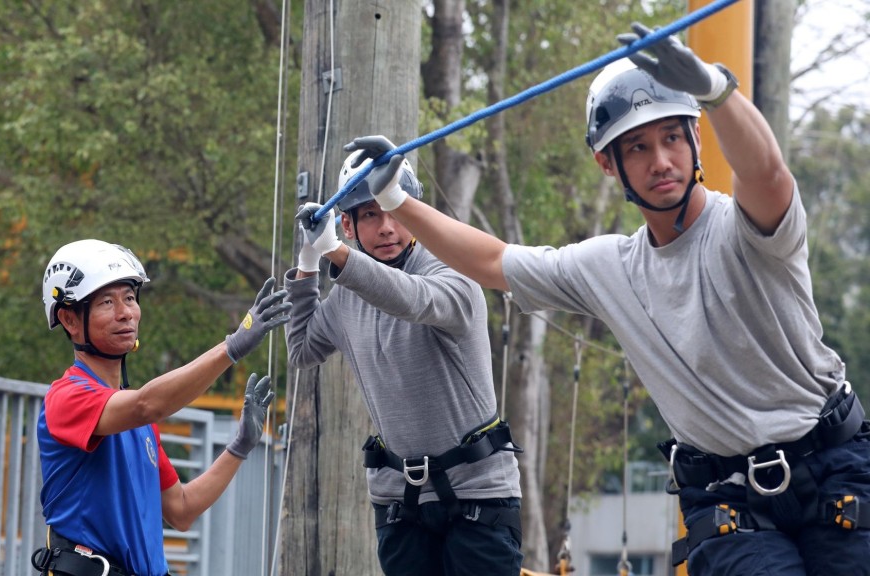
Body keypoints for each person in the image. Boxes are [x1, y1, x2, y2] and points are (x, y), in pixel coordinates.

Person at [343, 22, 870, 576]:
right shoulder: (609, 267)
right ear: (608, 164)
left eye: (672, 137)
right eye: (638, 147)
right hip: (725, 496)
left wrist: (717, 92)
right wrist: (394, 198)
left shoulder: (749, 229)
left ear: (695, 141)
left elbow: (766, 172)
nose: (661, 160)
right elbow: (491, 261)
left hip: (834, 466)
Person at [288, 153, 524, 575]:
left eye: (396, 212)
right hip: (402, 503)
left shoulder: (455, 270)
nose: (387, 228)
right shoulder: (346, 297)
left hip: (478, 496)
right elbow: (302, 348)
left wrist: (337, 256)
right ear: (348, 225)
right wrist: (308, 265)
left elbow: (411, 299)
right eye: (371, 215)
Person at [31, 239, 290, 576]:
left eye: (129, 298)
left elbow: (181, 510)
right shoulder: (66, 398)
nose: (125, 312)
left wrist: (239, 447)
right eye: (107, 302)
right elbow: (147, 404)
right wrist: (233, 346)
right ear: (69, 319)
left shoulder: (138, 422)